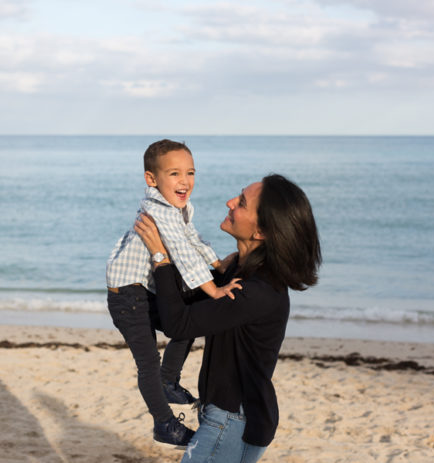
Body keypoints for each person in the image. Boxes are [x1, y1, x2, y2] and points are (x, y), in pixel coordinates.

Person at [134, 173, 322, 462]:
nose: (230, 202)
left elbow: (178, 323)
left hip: (233, 421)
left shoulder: (256, 291)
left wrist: (161, 257)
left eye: (242, 203)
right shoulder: (239, 274)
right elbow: (183, 311)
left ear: (261, 232)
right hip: (228, 416)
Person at [106, 139, 240, 448]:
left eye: (190, 173)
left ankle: (169, 380)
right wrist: (215, 289)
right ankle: (163, 424)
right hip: (126, 296)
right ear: (152, 179)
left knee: (189, 316)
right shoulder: (160, 212)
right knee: (147, 361)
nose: (185, 181)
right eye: (175, 174)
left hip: (141, 290)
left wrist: (218, 263)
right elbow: (183, 255)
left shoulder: (176, 208)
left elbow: (192, 238)